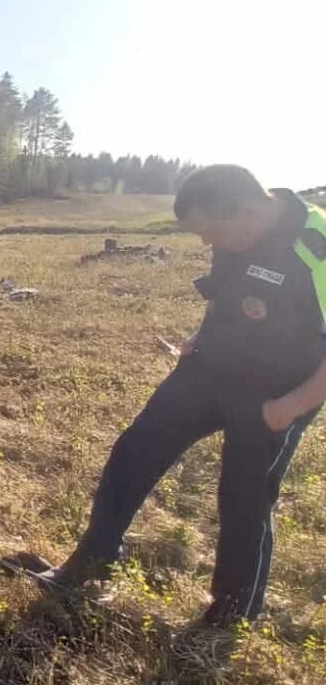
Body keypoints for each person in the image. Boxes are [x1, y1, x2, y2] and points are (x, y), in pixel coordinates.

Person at [36, 164, 326, 625]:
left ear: (246, 211)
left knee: (245, 495)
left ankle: (230, 615)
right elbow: (223, 294)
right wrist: (198, 337)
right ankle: (91, 562)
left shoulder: (315, 244)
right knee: (136, 449)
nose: (207, 244)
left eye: (211, 232)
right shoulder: (234, 233)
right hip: (209, 371)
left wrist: (287, 409)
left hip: (276, 395)